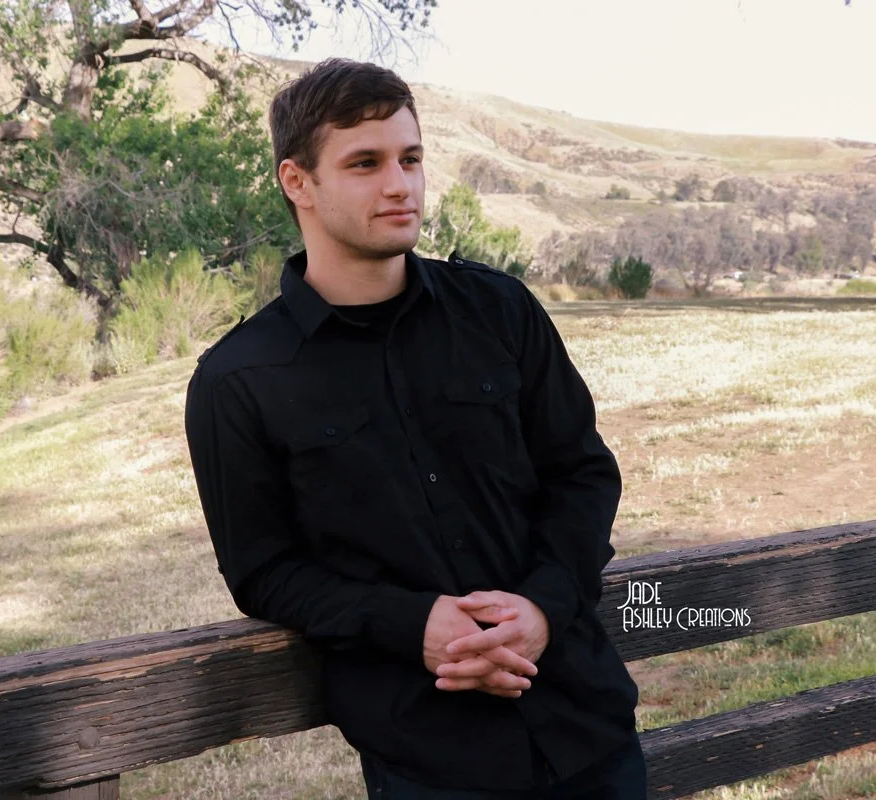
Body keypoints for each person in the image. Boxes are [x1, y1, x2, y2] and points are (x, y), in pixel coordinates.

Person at [183, 57, 646, 799]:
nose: (400, 184)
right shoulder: (238, 380)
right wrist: (412, 624)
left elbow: (582, 473)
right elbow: (264, 571)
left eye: (411, 158)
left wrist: (543, 607)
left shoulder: (501, 312)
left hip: (585, 732)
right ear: (297, 182)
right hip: (430, 758)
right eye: (365, 163)